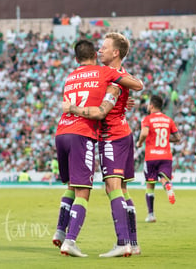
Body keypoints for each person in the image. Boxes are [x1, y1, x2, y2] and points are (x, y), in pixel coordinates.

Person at [55, 33, 144, 257]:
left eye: (104, 47)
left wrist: (74, 109)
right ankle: (132, 243)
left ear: (115, 52)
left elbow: (106, 108)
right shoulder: (109, 76)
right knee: (121, 189)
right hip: (121, 133)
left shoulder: (110, 75)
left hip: (111, 136)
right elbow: (127, 89)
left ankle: (123, 242)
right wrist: (124, 100)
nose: (100, 51)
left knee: (110, 188)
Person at [136, 95, 181, 223]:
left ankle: (151, 215)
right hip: (166, 156)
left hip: (151, 156)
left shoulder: (148, 119)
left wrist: (140, 142)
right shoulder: (168, 120)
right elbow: (178, 138)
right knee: (163, 177)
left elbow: (144, 133)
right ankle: (167, 185)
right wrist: (167, 138)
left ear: (151, 106)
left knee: (150, 185)